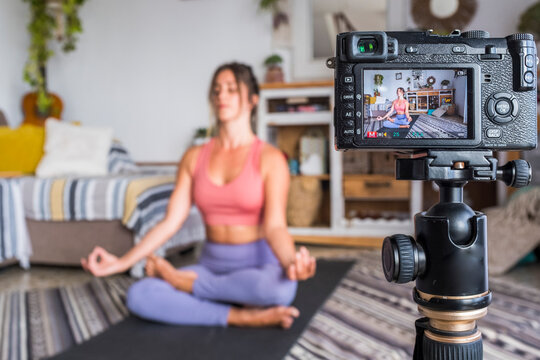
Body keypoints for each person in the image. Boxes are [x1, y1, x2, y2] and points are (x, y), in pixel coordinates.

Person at [81, 62, 316, 329]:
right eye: (216, 90)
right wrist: (121, 262)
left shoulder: (270, 159)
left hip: (257, 267)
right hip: (212, 264)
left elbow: (275, 226)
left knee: (278, 291)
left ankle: (188, 286)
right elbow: (170, 222)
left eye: (231, 89)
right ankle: (241, 315)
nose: (221, 96)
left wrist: (291, 262)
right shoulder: (194, 157)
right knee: (140, 295)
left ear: (252, 99)